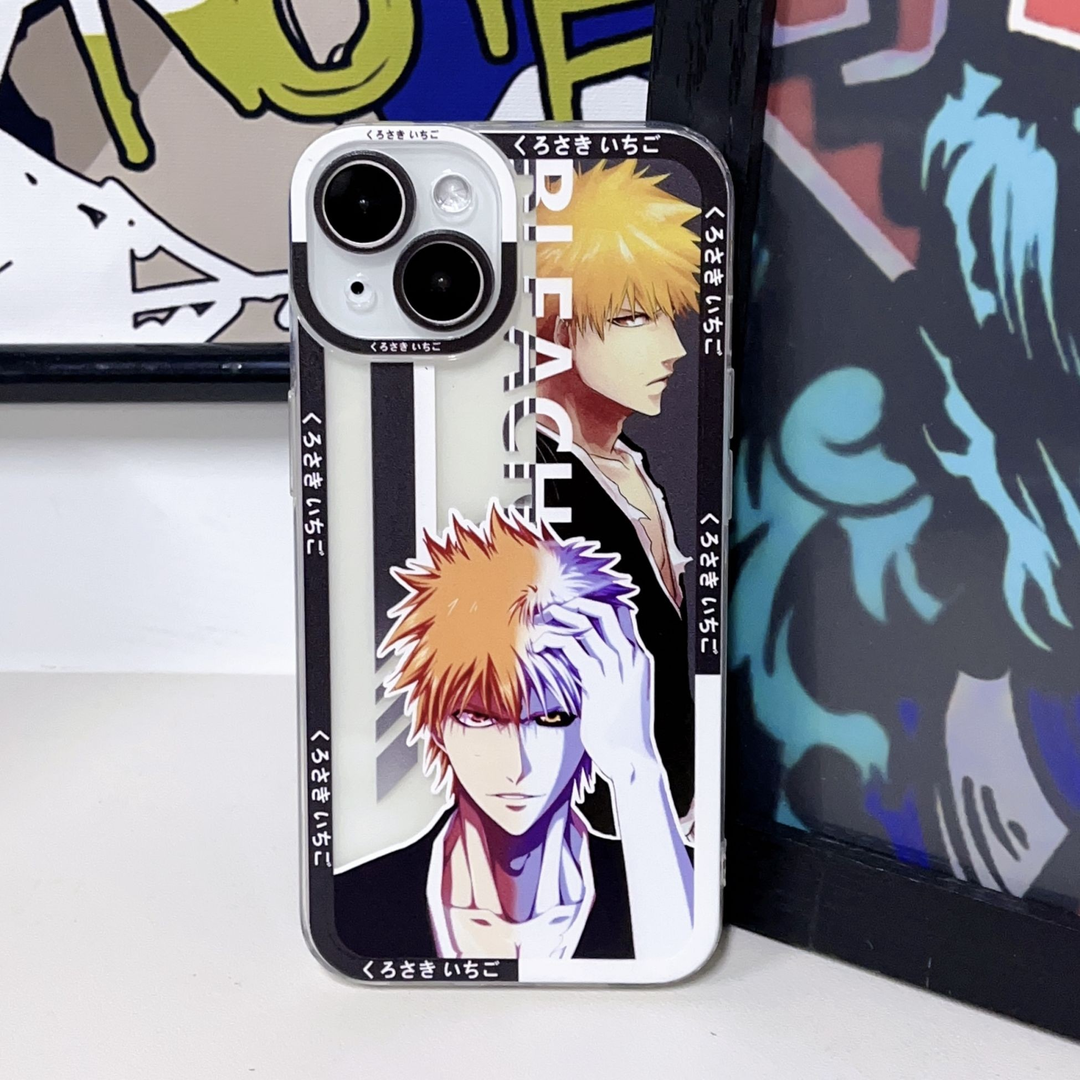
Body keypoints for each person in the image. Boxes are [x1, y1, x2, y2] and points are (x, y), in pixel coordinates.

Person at [334, 504, 693, 961]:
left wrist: (635, 768)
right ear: (437, 722)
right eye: (479, 718)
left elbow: (679, 971)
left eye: (552, 719)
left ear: (598, 715)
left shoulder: (671, 883)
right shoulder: (353, 907)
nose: (517, 763)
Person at [535, 159, 700, 836]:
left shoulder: (630, 463)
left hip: (675, 805)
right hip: (602, 825)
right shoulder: (536, 481)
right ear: (557, 332)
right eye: (635, 318)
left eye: (668, 318)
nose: (673, 349)